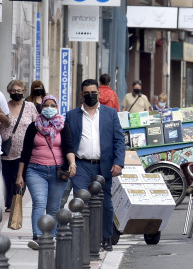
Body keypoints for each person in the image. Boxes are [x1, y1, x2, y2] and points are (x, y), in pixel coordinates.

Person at [66, 79, 126, 251]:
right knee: (81, 201)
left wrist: (118, 163)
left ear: (99, 94)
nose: (90, 96)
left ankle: (106, 237)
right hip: (81, 165)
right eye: (87, 93)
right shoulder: (72, 116)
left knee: (106, 203)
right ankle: (83, 239)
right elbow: (68, 142)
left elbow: (119, 140)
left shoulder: (110, 113)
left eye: (94, 92)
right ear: (81, 95)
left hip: (104, 165)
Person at [16, 95, 77, 246]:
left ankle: (50, 236)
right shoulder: (34, 126)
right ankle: (37, 236)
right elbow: (25, 152)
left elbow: (69, 147)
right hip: (35, 170)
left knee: (53, 206)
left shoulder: (63, 126)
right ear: (41, 107)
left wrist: (72, 164)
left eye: (52, 105)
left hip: (58, 172)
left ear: (57, 108)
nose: (49, 108)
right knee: (39, 202)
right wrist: (20, 175)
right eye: (46, 105)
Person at [2, 81, 40, 214]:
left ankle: (15, 202)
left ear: (24, 92)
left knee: (19, 177)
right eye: (13, 91)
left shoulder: (29, 106)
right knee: (8, 179)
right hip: (6, 150)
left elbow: (37, 124)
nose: (16, 93)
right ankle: (9, 203)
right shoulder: (4, 107)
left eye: (19, 90)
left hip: (24, 151)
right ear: (9, 92)